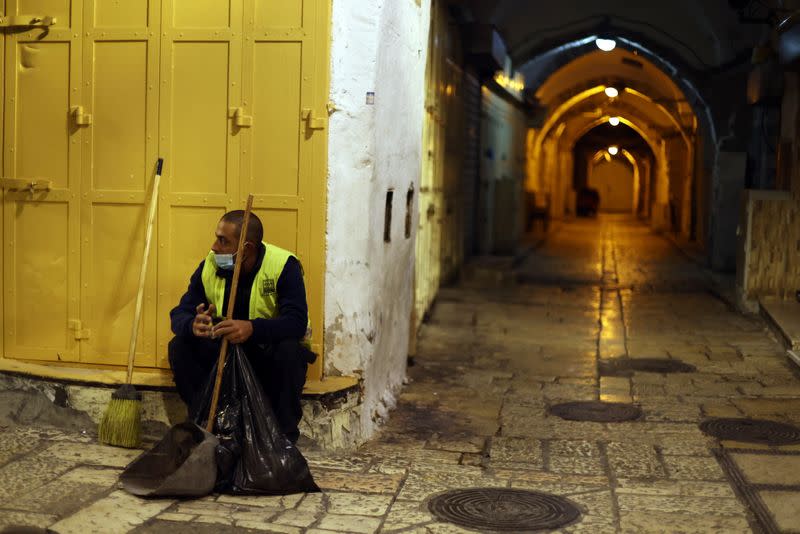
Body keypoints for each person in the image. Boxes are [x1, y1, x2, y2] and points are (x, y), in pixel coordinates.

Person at [168, 210, 315, 443]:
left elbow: (296, 322)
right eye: (216, 237)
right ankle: (205, 424)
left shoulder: (283, 266)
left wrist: (253, 329)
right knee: (180, 346)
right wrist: (192, 324)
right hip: (224, 355)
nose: (214, 246)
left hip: (263, 356)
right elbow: (180, 312)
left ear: (246, 248)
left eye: (223, 241)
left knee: (289, 351)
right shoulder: (210, 264)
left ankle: (280, 439)